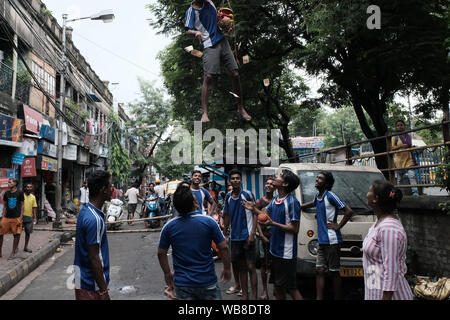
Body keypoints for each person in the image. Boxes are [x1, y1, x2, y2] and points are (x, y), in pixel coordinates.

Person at [157, 183, 231, 300]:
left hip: (183, 284)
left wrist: (167, 273)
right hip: (207, 281)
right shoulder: (209, 222)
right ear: (195, 203)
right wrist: (227, 268)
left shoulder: (168, 226)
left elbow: (161, 253)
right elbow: (224, 247)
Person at [185, 0, 251, 123]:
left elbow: (219, 16)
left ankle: (240, 108)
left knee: (235, 74)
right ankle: (204, 113)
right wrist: (196, 32)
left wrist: (224, 20)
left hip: (222, 40)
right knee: (209, 76)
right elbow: (187, 29)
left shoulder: (209, 2)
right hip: (209, 44)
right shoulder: (191, 11)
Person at [243, 170, 303, 300]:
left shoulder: (292, 202)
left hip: (286, 253)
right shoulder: (276, 199)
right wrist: (253, 209)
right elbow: (265, 216)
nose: (277, 176)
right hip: (274, 250)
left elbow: (295, 229)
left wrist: (274, 223)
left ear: (285, 184)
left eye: (280, 176)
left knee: (292, 288)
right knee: (277, 287)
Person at [301, 171, 354, 300]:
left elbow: (348, 211)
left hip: (332, 240)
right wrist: (298, 206)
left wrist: (338, 226)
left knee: (334, 272)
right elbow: (312, 203)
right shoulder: (317, 196)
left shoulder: (330, 196)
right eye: (317, 177)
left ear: (327, 183)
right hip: (322, 240)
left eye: (320, 178)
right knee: (319, 270)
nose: (317, 180)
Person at [363, 180, 414, 300]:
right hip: (375, 293)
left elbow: (391, 271)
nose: (366, 194)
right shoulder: (379, 223)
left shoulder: (389, 228)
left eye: (369, 191)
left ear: (375, 199)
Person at [74, 170, 113, 300]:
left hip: (82, 280)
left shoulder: (85, 211)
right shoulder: (94, 219)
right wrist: (103, 291)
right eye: (110, 186)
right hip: (91, 285)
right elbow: (94, 256)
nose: (112, 189)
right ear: (103, 190)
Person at [222, 169, 258, 300]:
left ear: (241, 180)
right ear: (230, 181)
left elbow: (255, 213)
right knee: (241, 267)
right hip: (235, 237)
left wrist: (253, 233)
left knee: (251, 267)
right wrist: (225, 233)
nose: (236, 180)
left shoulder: (248, 194)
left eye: (238, 178)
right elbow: (226, 215)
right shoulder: (228, 197)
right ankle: (245, 296)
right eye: (233, 178)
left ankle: (254, 297)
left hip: (247, 236)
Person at [254, 177, 275, 300]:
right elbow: (256, 220)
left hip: (274, 236)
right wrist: (261, 235)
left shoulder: (277, 201)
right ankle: (265, 291)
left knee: (275, 264)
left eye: (271, 184)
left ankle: (277, 289)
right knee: (263, 264)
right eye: (267, 183)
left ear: (275, 187)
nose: (268, 185)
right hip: (263, 237)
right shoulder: (259, 202)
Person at [391, 119, 419, 196]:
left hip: (409, 159)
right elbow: (392, 148)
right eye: (398, 125)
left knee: (412, 176)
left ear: (404, 126)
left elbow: (409, 144)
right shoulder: (394, 137)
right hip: (399, 160)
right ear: (396, 127)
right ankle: (399, 195)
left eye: (401, 125)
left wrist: (404, 146)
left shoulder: (408, 136)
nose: (400, 127)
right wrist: (401, 146)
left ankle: (415, 194)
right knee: (399, 179)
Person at [0, 178, 24, 260]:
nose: (8, 183)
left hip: (16, 217)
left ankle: (13, 252)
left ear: (15, 184)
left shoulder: (20, 193)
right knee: (0, 233)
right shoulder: (6, 193)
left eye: (10, 182)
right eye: (8, 182)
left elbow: (22, 205)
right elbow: (5, 205)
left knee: (16, 235)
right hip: (6, 217)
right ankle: (0, 252)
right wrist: (2, 216)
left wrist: (21, 217)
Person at [22, 182, 37, 253]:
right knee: (17, 233)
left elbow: (34, 208)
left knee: (27, 233)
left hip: (29, 217)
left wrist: (35, 217)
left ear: (32, 188)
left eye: (30, 187)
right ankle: (15, 248)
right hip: (20, 216)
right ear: (25, 188)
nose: (29, 188)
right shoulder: (21, 195)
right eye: (27, 187)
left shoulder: (33, 197)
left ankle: (25, 247)